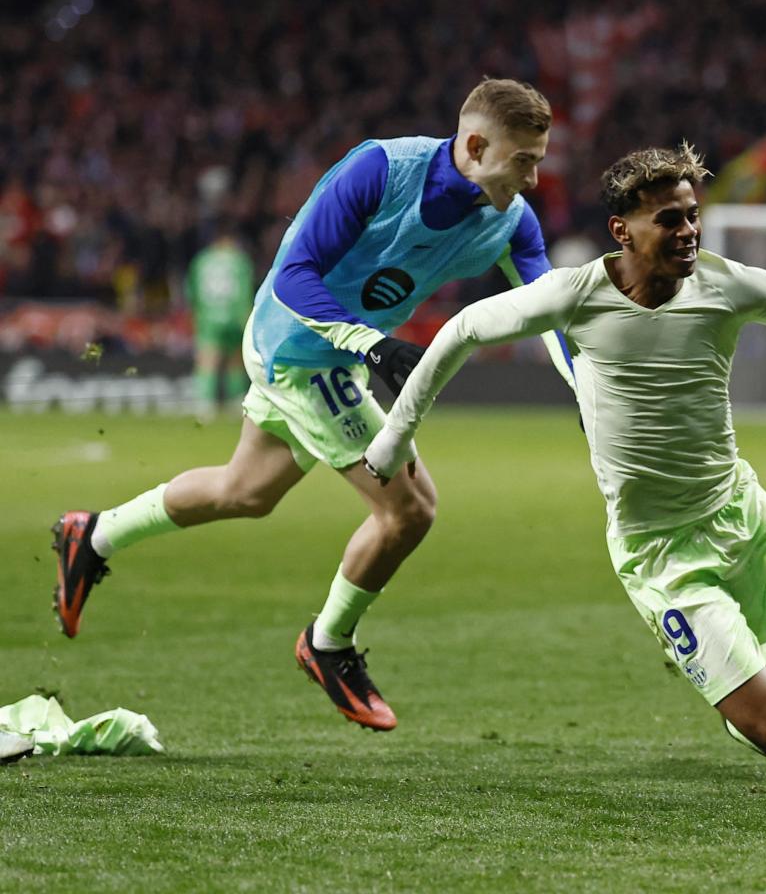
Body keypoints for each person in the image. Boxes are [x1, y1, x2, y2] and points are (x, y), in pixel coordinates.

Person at [361, 143, 766, 756]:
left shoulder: (728, 285)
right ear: (622, 230)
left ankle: (740, 644)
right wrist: (394, 437)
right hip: (659, 552)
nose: (687, 232)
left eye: (691, 217)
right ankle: (719, 659)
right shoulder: (577, 296)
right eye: (668, 220)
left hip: (740, 519)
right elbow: (460, 331)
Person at [51, 78, 574, 731]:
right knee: (410, 509)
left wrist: (584, 389)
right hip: (295, 346)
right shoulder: (380, 171)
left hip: (339, 358)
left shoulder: (511, 223)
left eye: (538, 161)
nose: (532, 179)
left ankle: (92, 534)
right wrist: (372, 345)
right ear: (473, 144)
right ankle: (328, 644)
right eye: (522, 161)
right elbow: (294, 273)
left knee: (245, 492)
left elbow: (552, 309)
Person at [185, 229, 255, 416]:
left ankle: (206, 403)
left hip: (208, 316)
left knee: (208, 359)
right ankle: (236, 401)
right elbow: (245, 290)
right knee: (236, 359)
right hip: (234, 315)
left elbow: (191, 292)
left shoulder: (201, 260)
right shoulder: (239, 260)